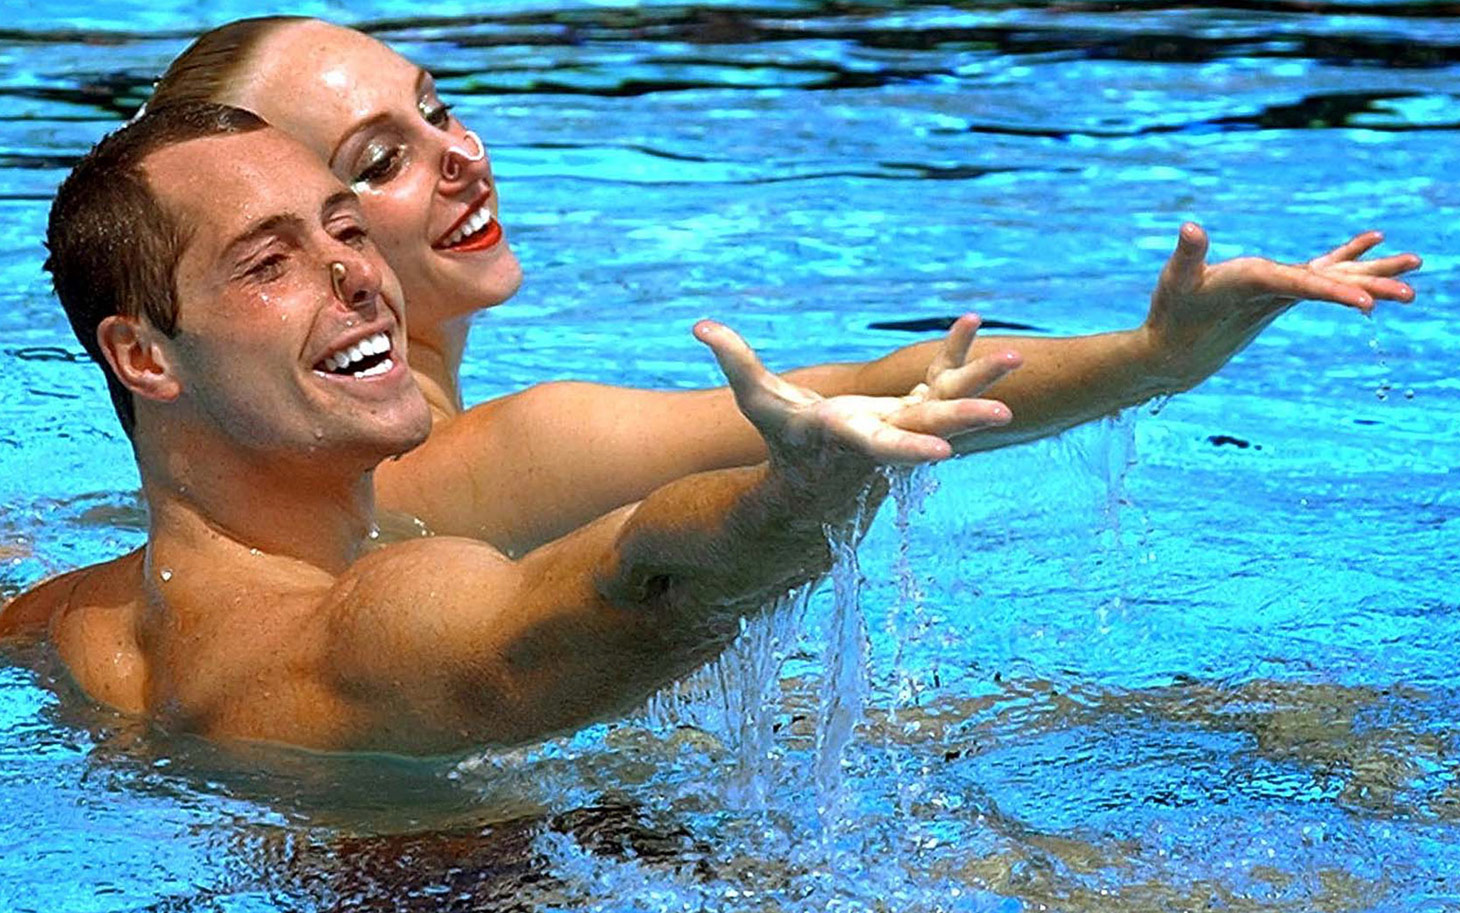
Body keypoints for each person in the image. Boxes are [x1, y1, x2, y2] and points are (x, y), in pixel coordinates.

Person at [142, 17, 1423, 557]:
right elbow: (879, 390)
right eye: (383, 163)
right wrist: (1152, 355)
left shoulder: (229, 487)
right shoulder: (498, 452)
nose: (464, 157)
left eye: (439, 110)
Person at [0, 102, 1021, 754]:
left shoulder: (62, 618)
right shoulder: (344, 625)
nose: (357, 271)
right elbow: (602, 599)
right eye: (269, 263)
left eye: (346, 228)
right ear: (143, 356)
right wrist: (787, 502)